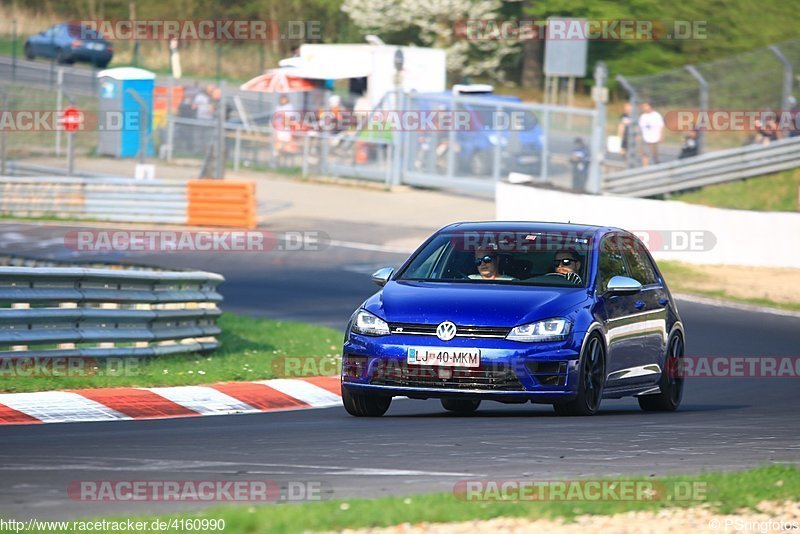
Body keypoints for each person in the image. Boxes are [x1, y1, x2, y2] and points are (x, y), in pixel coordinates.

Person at [638, 101, 664, 166]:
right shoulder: (643, 116)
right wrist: (639, 136)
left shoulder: (656, 115)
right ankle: (646, 169)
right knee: (645, 154)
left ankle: (656, 164)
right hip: (645, 138)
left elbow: (661, 126)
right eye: (643, 107)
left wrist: (661, 136)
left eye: (646, 106)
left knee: (653, 155)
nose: (644, 108)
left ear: (650, 106)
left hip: (654, 139)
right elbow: (640, 127)